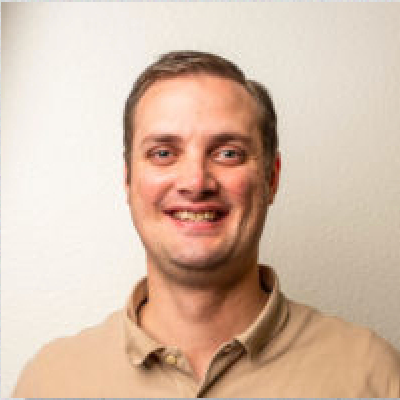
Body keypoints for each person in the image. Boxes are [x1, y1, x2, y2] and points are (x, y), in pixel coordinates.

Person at [13, 50, 400, 398]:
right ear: (129, 180)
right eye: (164, 153)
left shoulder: (371, 376)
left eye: (228, 153)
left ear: (272, 178)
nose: (196, 182)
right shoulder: (51, 383)